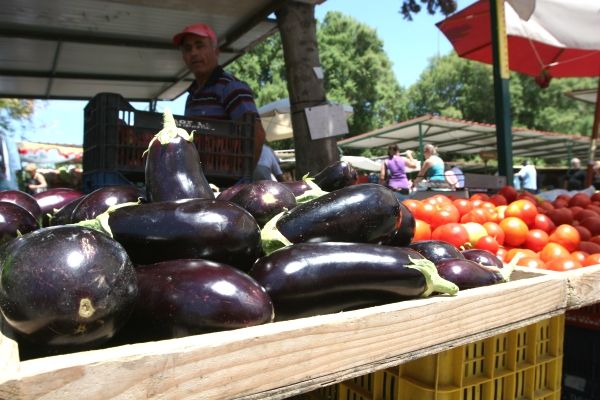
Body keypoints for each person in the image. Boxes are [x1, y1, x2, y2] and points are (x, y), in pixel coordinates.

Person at [172, 23, 265, 167]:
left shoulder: (231, 87)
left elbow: (256, 135)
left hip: (227, 182)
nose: (194, 53)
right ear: (184, 56)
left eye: (200, 45)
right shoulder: (192, 95)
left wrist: (241, 181)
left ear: (216, 51)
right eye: (187, 48)